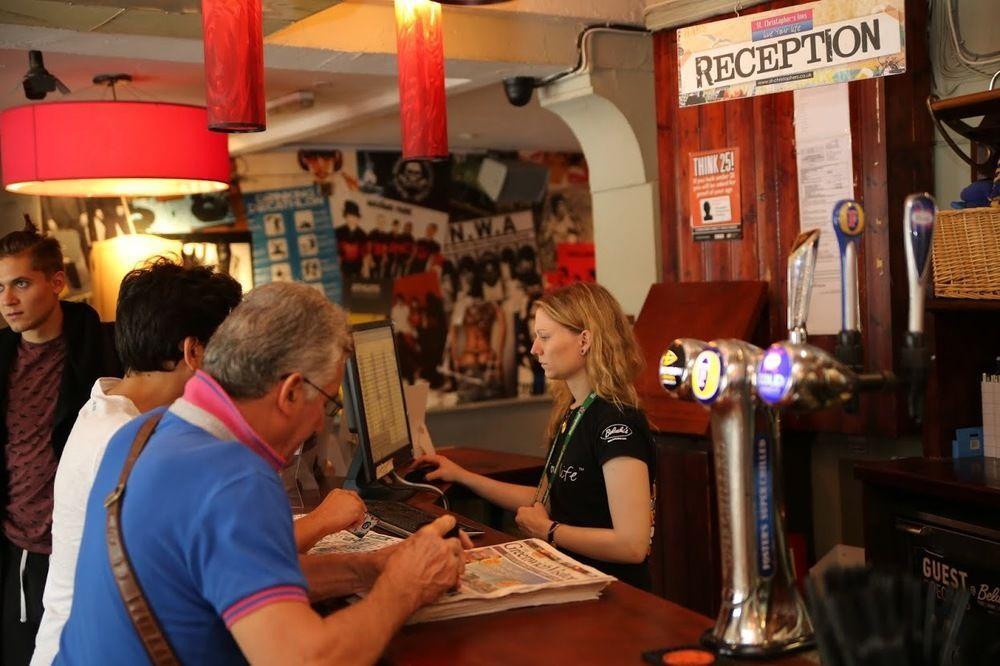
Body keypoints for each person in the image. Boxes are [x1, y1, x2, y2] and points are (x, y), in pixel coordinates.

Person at [56, 283, 467, 664]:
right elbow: (306, 659)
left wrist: (375, 566)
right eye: (327, 403)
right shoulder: (235, 478)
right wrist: (403, 587)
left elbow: (253, 579)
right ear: (289, 392)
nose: (320, 425)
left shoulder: (138, 433)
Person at [30, 259, 241, 665]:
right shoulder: (127, 441)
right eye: (228, 349)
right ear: (193, 351)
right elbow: (218, 560)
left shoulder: (107, 409)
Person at [416, 281, 656, 589]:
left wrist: (549, 531)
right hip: (575, 581)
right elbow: (548, 498)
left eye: (544, 337)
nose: (534, 349)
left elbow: (632, 545)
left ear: (584, 340)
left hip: (613, 594)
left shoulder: (617, 424)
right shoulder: (576, 410)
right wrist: (462, 476)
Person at [0, 221, 119, 666]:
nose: (7, 300)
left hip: (92, 548)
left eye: (21, 284)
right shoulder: (4, 357)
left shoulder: (105, 350)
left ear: (57, 282)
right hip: (21, 551)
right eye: (0, 288)